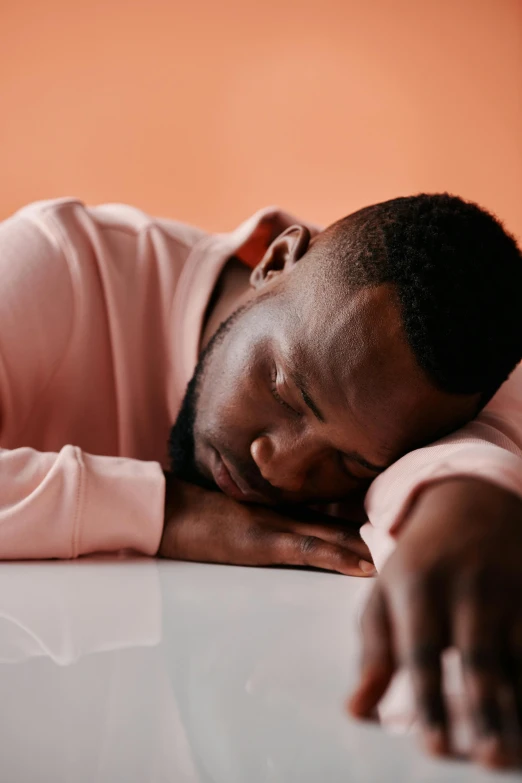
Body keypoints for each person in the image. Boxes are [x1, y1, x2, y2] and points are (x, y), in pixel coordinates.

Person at [1, 193, 522, 768]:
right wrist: (168, 513)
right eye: (282, 392)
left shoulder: (405, 393)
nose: (281, 467)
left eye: (349, 464)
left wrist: (473, 495)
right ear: (274, 260)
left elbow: (473, 452)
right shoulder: (65, 263)